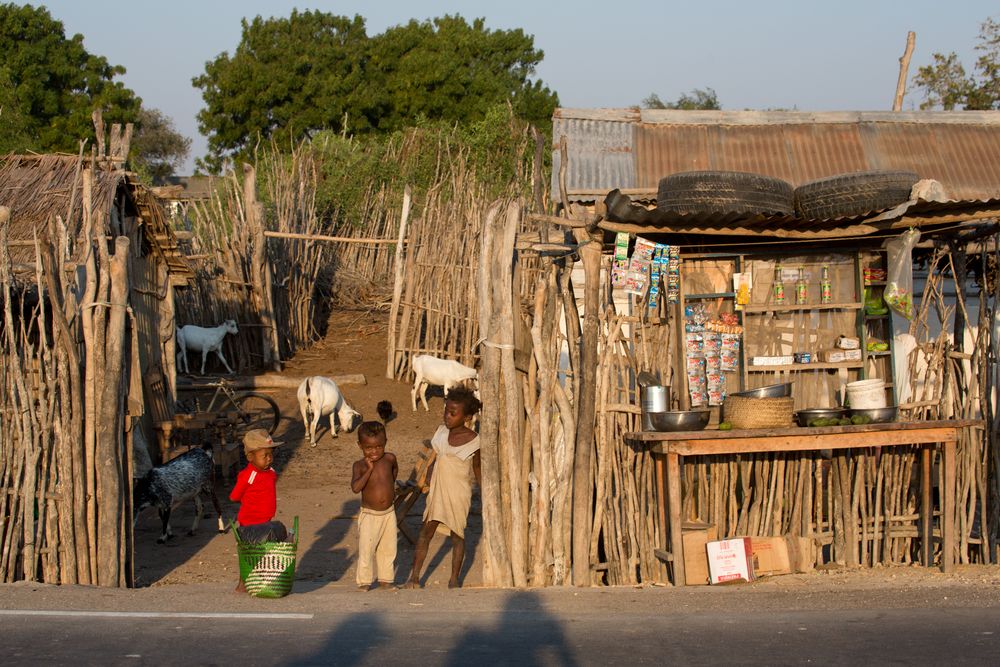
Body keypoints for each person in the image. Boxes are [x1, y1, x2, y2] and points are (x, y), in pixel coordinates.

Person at [405, 386, 481, 589]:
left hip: (459, 494)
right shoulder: (440, 433)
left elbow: (477, 467)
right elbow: (434, 460)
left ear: (467, 417)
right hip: (437, 492)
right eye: (446, 411)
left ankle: (454, 579)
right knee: (425, 531)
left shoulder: (475, 441)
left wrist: (484, 493)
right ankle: (414, 577)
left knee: (458, 535)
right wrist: (428, 480)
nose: (447, 416)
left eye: (453, 413)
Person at [230, 428, 289, 593]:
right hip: (250, 522)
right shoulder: (249, 475)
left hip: (265, 520)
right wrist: (250, 501)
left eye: (271, 454)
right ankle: (243, 582)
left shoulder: (270, 472)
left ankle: (260, 580)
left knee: (263, 551)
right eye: (265, 456)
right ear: (250, 457)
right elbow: (234, 496)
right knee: (249, 551)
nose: (269, 459)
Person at [351, 420, 399, 590]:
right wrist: (369, 470)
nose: (374, 451)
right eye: (369, 448)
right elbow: (356, 488)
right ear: (360, 446)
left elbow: (393, 474)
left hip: (388, 513)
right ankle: (364, 581)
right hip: (370, 515)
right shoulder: (359, 465)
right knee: (367, 549)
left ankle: (386, 579)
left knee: (388, 547)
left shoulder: (390, 458)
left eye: (379, 446)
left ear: (385, 442)